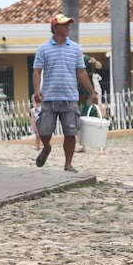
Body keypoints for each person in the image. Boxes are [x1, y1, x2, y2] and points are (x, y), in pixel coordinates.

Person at [31, 12, 95, 172]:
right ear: (54, 27)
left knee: (70, 132)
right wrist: (37, 90)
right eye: (64, 25)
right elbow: (37, 71)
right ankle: (46, 148)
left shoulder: (75, 48)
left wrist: (92, 92)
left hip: (70, 98)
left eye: (68, 24)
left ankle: (68, 164)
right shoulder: (43, 49)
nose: (67, 27)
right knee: (44, 131)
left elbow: (81, 72)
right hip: (49, 97)